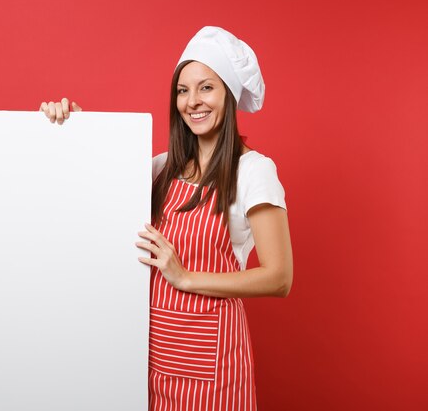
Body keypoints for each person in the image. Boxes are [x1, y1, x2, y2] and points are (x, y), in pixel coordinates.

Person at [40, 26, 292, 411]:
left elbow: (279, 277)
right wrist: (72, 128)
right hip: (147, 362)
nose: (193, 101)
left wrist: (185, 276)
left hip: (213, 368)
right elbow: (90, 196)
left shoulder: (253, 171)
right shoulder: (160, 169)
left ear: (228, 92)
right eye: (183, 89)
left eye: (206, 87)